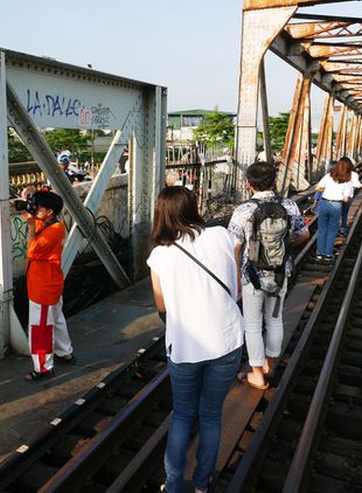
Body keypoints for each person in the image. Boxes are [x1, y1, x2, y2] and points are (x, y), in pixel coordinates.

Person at [147, 186, 244, 493]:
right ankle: (203, 484)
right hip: (227, 340)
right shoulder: (221, 236)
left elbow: (161, 306)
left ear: (161, 213)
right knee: (212, 415)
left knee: (182, 415)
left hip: (186, 346)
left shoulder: (159, 256)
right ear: (192, 207)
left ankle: (173, 486)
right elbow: (237, 286)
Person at [228, 163, 309, 390]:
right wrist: (285, 246)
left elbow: (234, 246)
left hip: (251, 276)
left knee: (252, 325)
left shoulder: (243, 210)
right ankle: (270, 366)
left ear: (249, 184)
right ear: (274, 182)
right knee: (275, 320)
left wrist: (236, 278)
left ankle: (256, 374)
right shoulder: (289, 205)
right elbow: (304, 234)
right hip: (280, 274)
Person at [21, 186, 74, 381]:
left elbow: (32, 250)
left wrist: (30, 225)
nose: (34, 212)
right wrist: (29, 201)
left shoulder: (54, 229)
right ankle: (64, 351)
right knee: (57, 319)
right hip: (48, 283)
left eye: (38, 208)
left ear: (50, 212)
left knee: (40, 328)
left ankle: (43, 367)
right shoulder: (48, 223)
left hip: (42, 287)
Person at [315, 157, 354, 261]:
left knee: (322, 229)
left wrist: (328, 189)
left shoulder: (329, 176)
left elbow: (317, 188)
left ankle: (319, 253)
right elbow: (346, 199)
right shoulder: (348, 180)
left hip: (324, 203)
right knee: (332, 230)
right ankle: (328, 254)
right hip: (336, 206)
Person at [340, 157, 362, 236]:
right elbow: (357, 185)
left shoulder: (337, 173)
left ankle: (334, 229)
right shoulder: (353, 174)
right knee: (344, 213)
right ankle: (342, 229)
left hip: (336, 197)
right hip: (348, 197)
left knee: (336, 213)